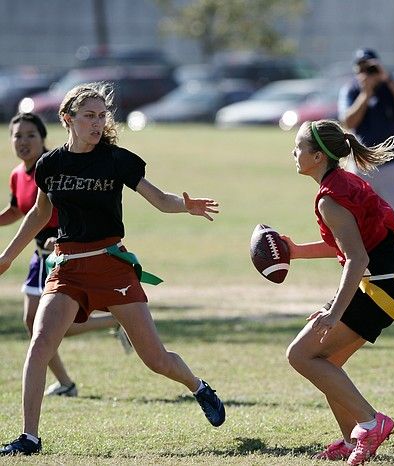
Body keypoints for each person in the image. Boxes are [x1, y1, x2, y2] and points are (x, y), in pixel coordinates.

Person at [0, 82, 225, 456]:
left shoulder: (116, 159)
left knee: (155, 359)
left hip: (112, 266)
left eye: (102, 116)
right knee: (39, 343)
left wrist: (186, 206)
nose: (97, 123)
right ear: (67, 119)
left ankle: (198, 386)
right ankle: (30, 438)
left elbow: (159, 199)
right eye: (89, 116)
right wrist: (8, 256)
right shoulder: (49, 164)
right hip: (68, 268)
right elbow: (40, 213)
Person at [284, 120, 394, 464]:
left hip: (376, 287)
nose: (294, 153)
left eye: (299, 148)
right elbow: (347, 244)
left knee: (300, 355)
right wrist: (296, 251)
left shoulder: (329, 199)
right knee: (329, 362)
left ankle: (371, 422)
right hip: (385, 283)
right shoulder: (341, 183)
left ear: (318, 157)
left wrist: (333, 313)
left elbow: (357, 258)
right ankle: (352, 441)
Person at [1, 113, 133, 399]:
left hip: (63, 254)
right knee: (32, 323)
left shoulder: (58, 166)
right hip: (39, 255)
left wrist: (59, 237)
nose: (23, 141)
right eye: (17, 135)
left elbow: (76, 211)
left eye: (30, 135)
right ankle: (66, 381)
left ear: (43, 138)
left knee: (50, 326)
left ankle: (118, 319)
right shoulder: (18, 174)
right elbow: (18, 211)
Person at [338, 48, 394, 279]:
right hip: (363, 165)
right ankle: (365, 271)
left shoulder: (392, 85)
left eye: (371, 67)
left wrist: (387, 79)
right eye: (362, 69)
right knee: (361, 219)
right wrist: (365, 92)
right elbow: (348, 120)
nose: (368, 72)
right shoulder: (352, 90)